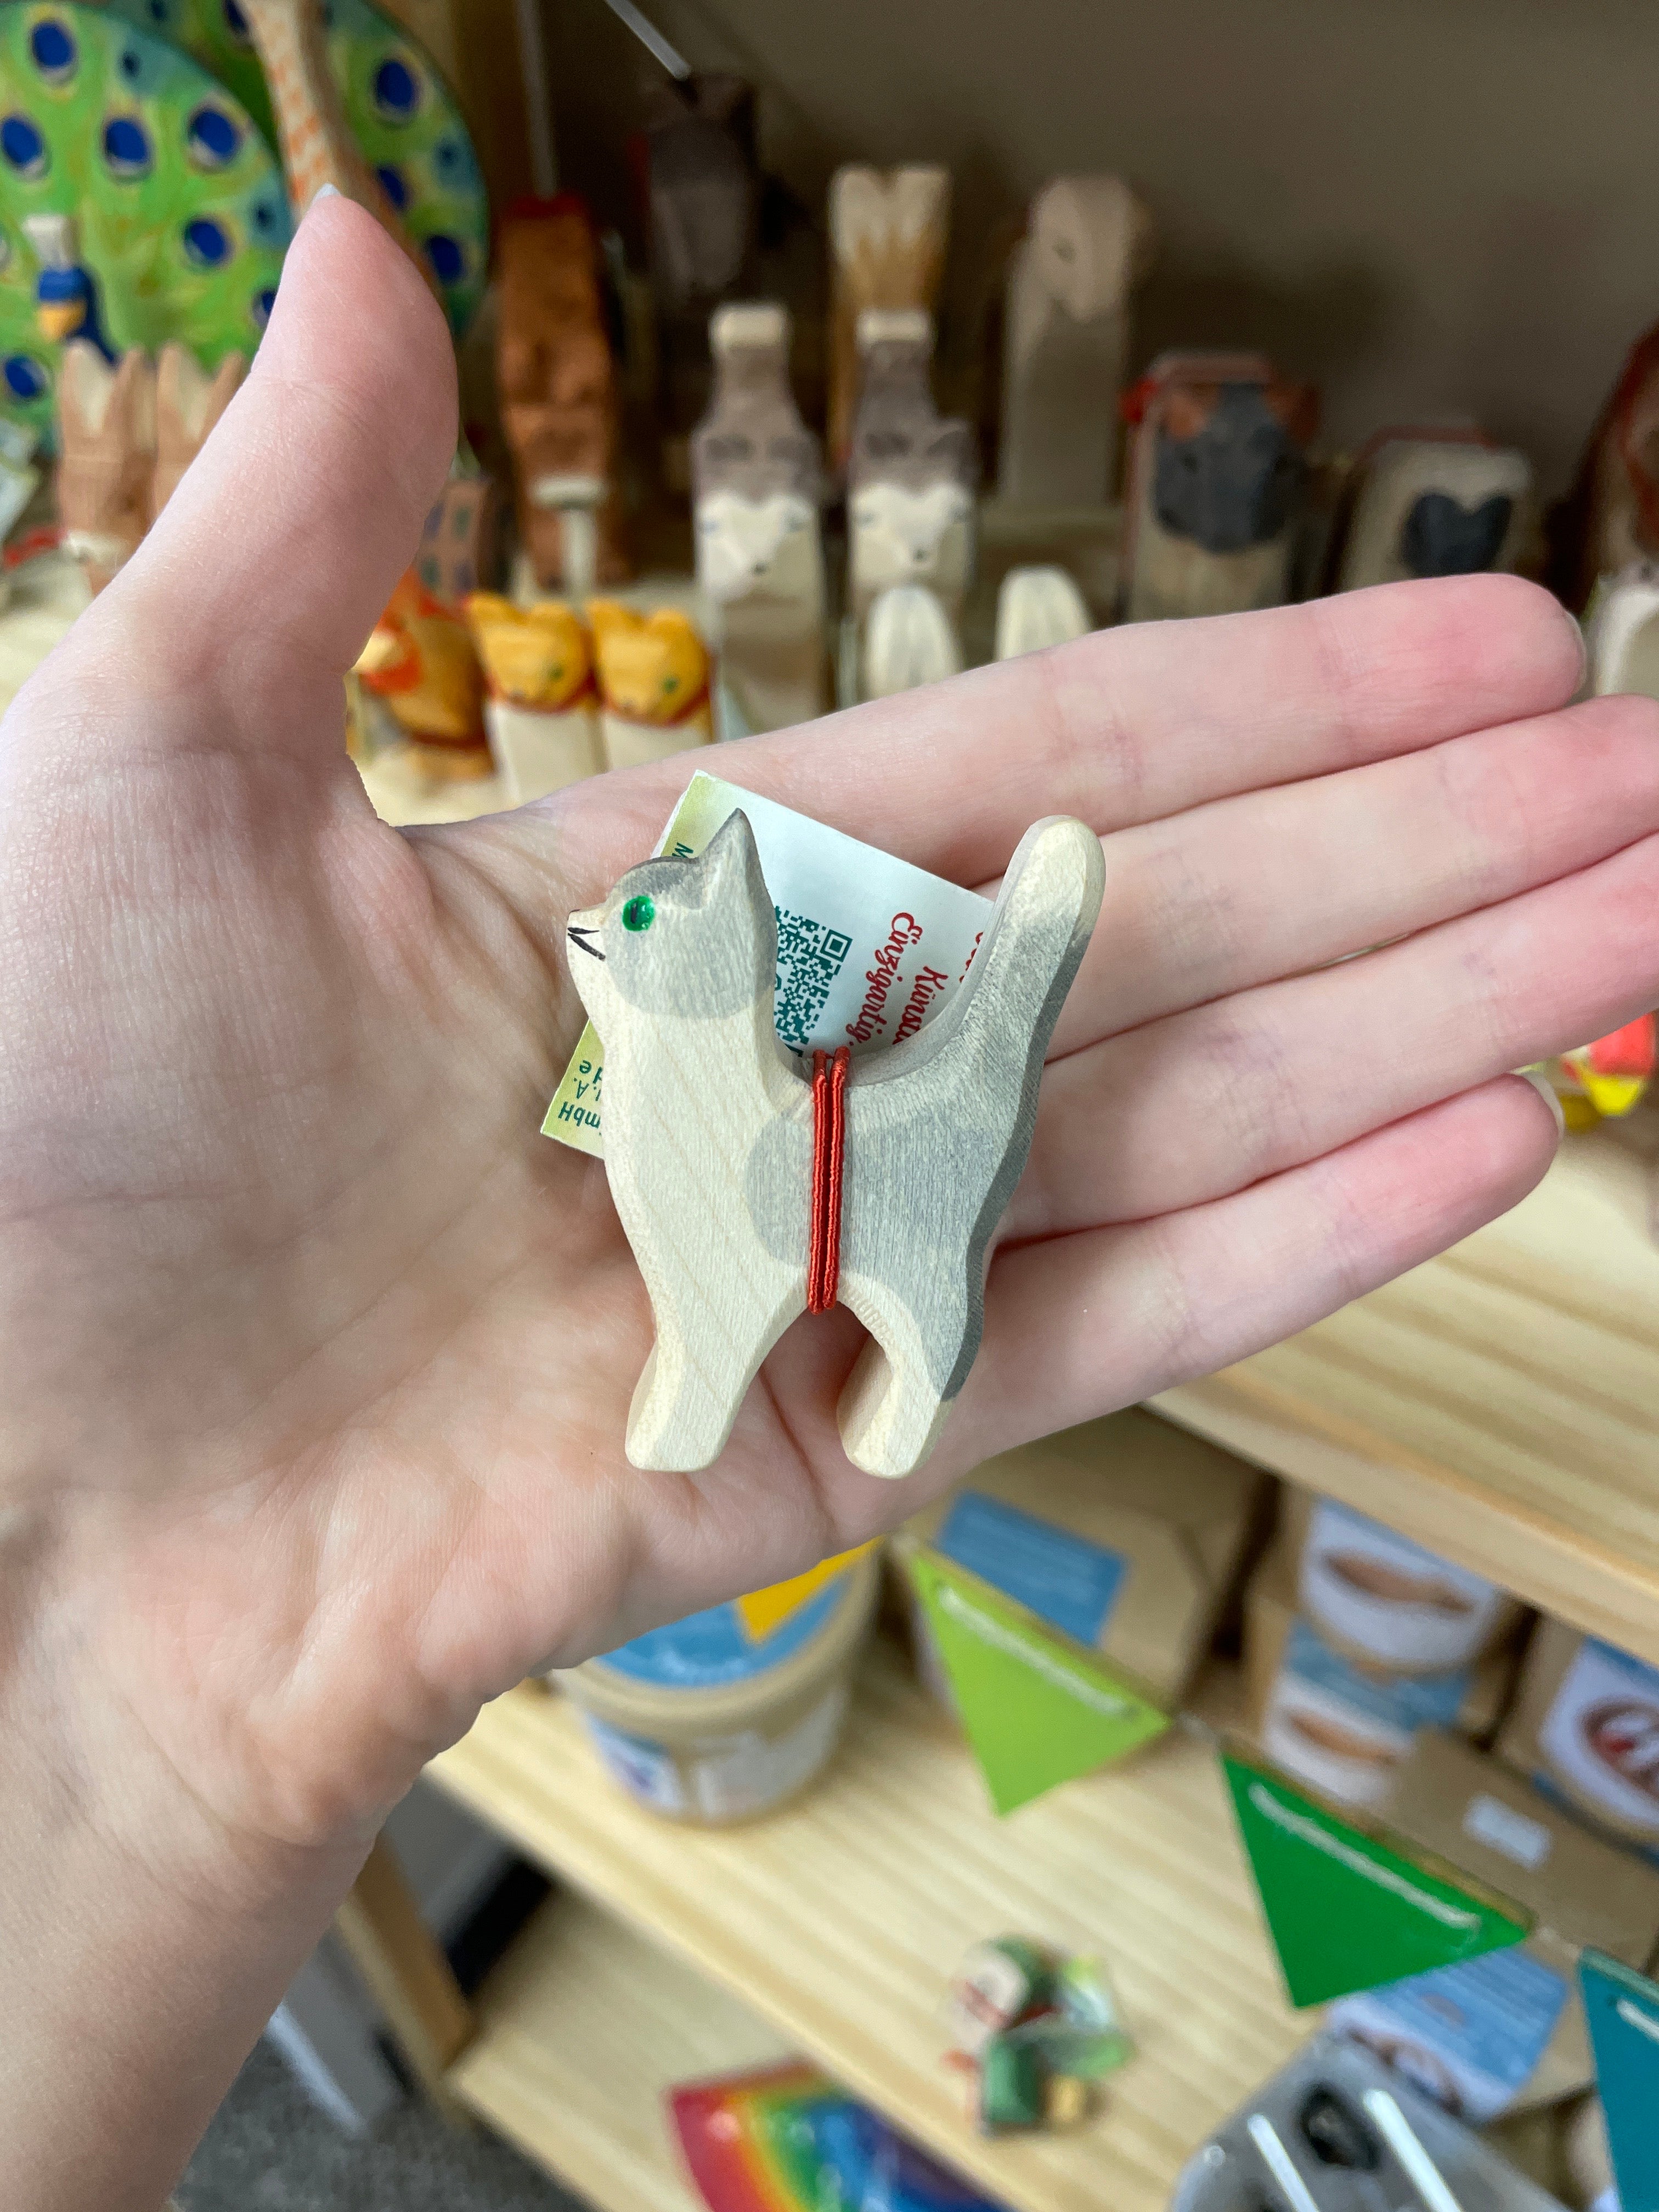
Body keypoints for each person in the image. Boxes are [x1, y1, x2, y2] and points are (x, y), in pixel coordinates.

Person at [3, 195, 1655, 2212]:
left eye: (633, 944)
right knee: (735, 1295)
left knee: (907, 1287)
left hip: (891, 1156)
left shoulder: (728, 1055)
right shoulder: (659, 1093)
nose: (599, 958)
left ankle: (905, 1354)